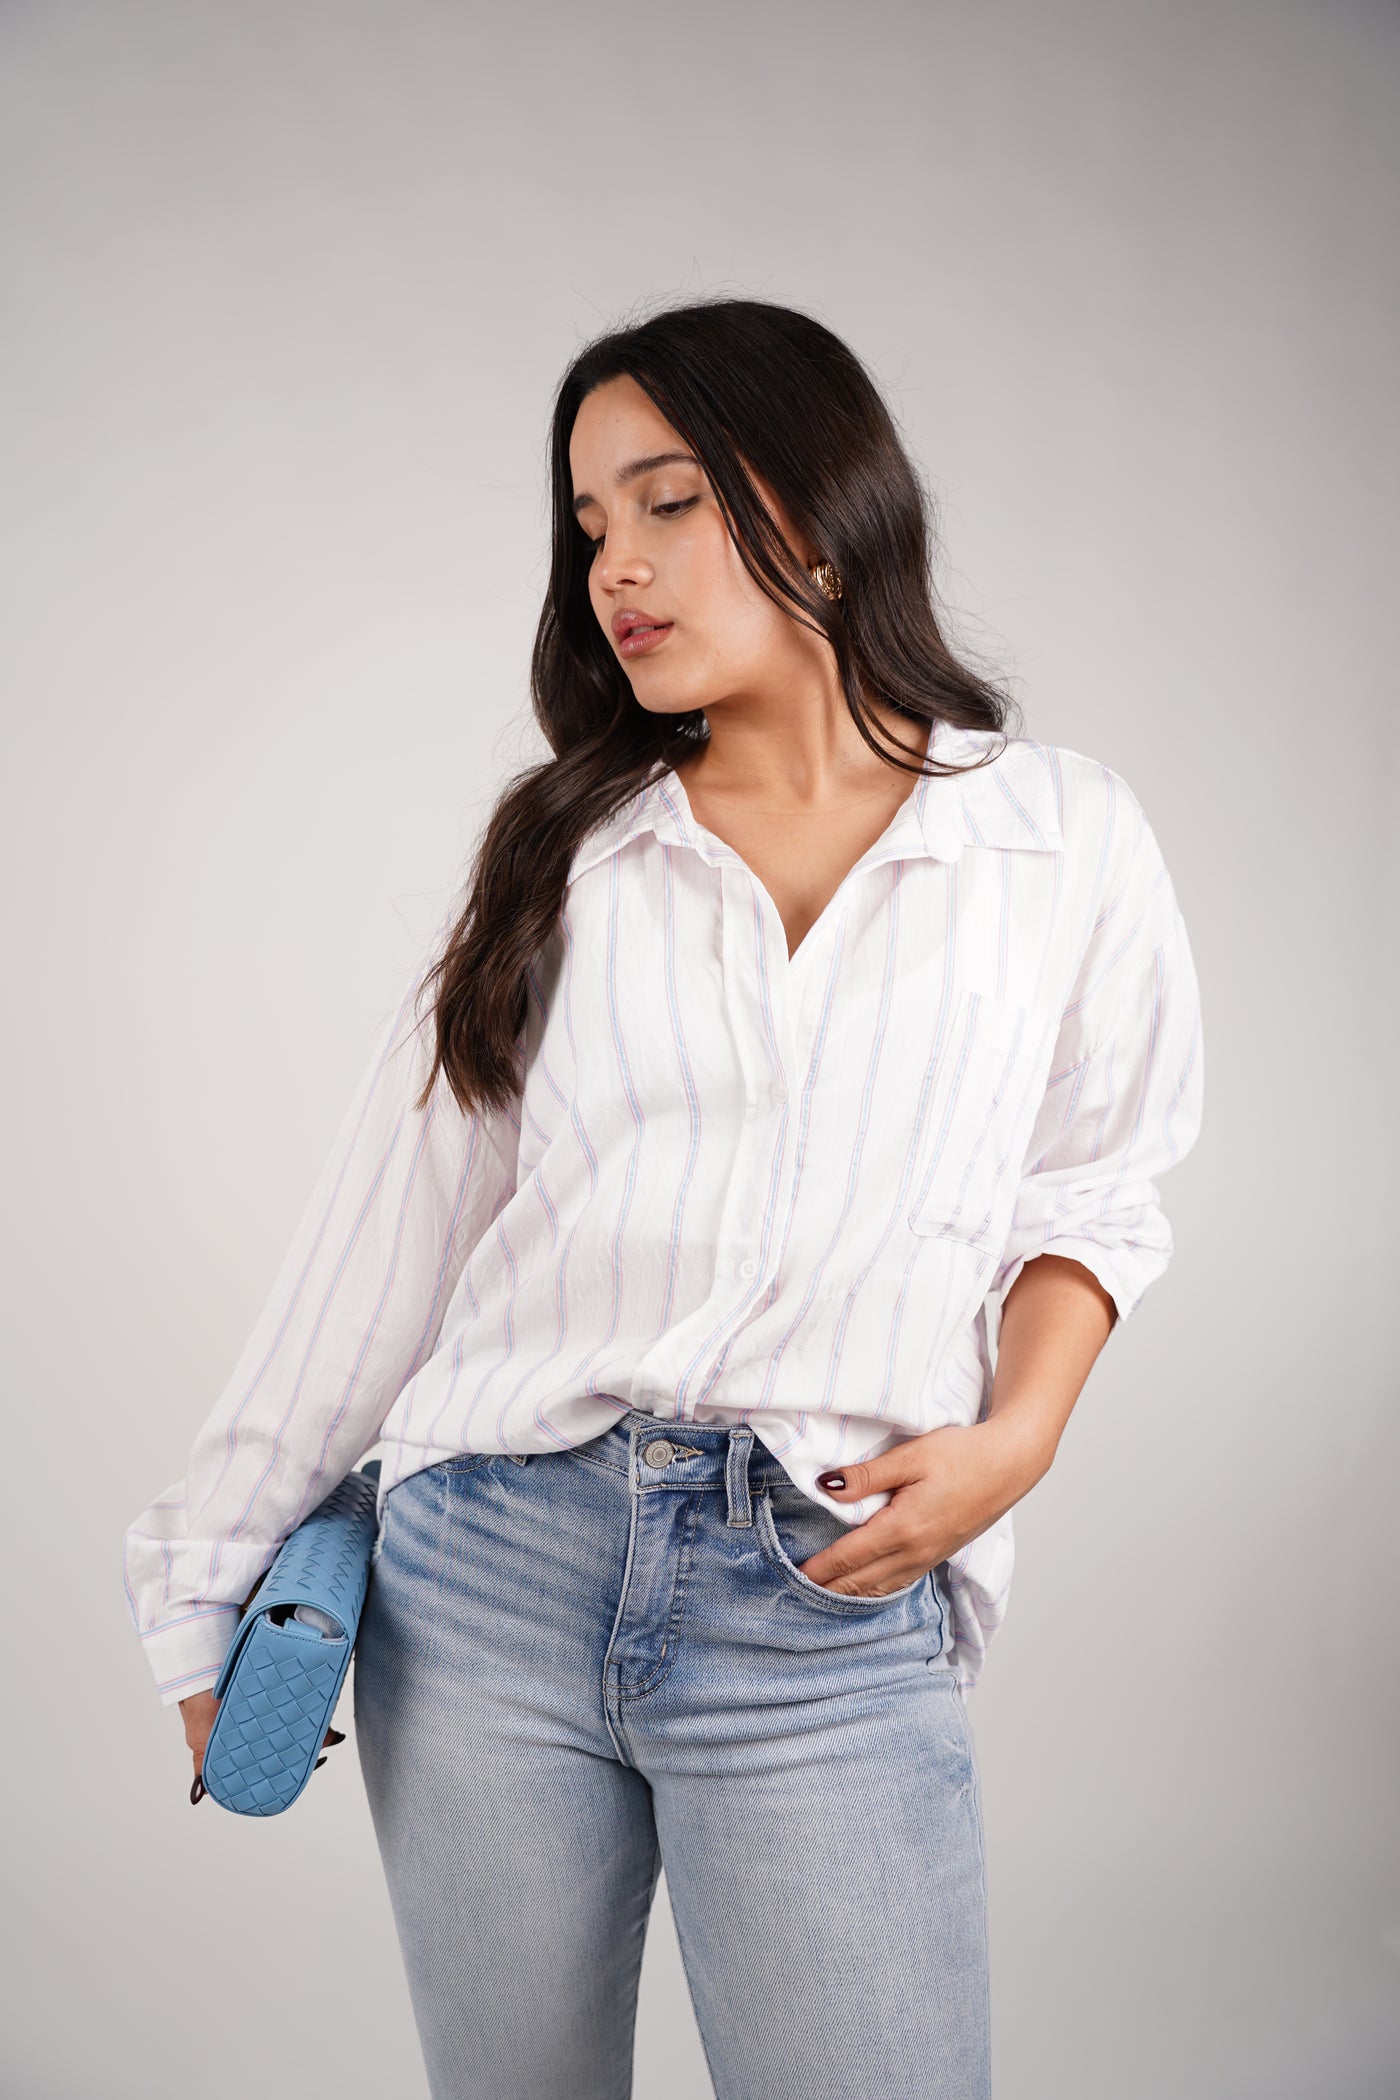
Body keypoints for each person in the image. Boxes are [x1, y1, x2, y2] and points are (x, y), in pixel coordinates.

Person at [123, 295, 1204, 2100]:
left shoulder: (1059, 838)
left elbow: (1098, 1183)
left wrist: (1018, 1440)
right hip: (487, 1583)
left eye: (668, 501)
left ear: (823, 503)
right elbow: (385, 1240)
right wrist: (209, 1577)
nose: (614, 565)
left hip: (825, 1585)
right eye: (588, 524)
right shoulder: (566, 852)